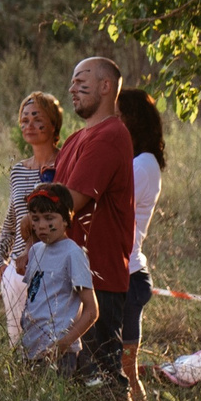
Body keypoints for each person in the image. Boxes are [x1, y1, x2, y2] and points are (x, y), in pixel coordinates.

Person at [53, 56, 135, 382]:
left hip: (98, 277)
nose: (72, 87)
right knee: (70, 376)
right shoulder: (75, 139)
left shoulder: (112, 134)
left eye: (81, 80)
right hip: (66, 275)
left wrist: (32, 222)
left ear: (105, 86)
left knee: (99, 376)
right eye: (72, 80)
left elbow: (67, 203)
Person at [114, 87, 168, 401]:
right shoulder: (138, 161)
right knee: (123, 367)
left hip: (129, 275)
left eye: (119, 116)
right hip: (127, 273)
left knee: (126, 369)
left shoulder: (142, 166)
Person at [0, 91, 64, 346]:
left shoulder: (65, 164)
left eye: (37, 118)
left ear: (53, 123)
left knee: (50, 338)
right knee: (18, 340)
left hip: (53, 266)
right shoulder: (17, 170)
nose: (29, 125)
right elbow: (12, 218)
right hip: (17, 268)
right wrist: (0, 264)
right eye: (24, 120)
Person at [19, 185, 97, 368]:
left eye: (49, 218)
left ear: (66, 219)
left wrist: (63, 344)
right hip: (31, 348)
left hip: (59, 354)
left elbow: (92, 310)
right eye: (35, 219)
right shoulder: (36, 251)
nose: (42, 225)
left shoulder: (73, 254)